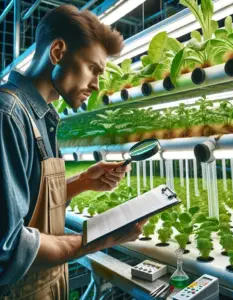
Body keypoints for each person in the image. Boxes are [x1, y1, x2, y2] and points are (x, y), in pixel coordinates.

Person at [0, 5, 146, 299]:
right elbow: (10, 248)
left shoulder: (43, 117)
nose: (96, 84)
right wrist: (103, 239)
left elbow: (27, 203)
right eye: (93, 69)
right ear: (57, 52)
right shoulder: (9, 115)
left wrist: (83, 182)